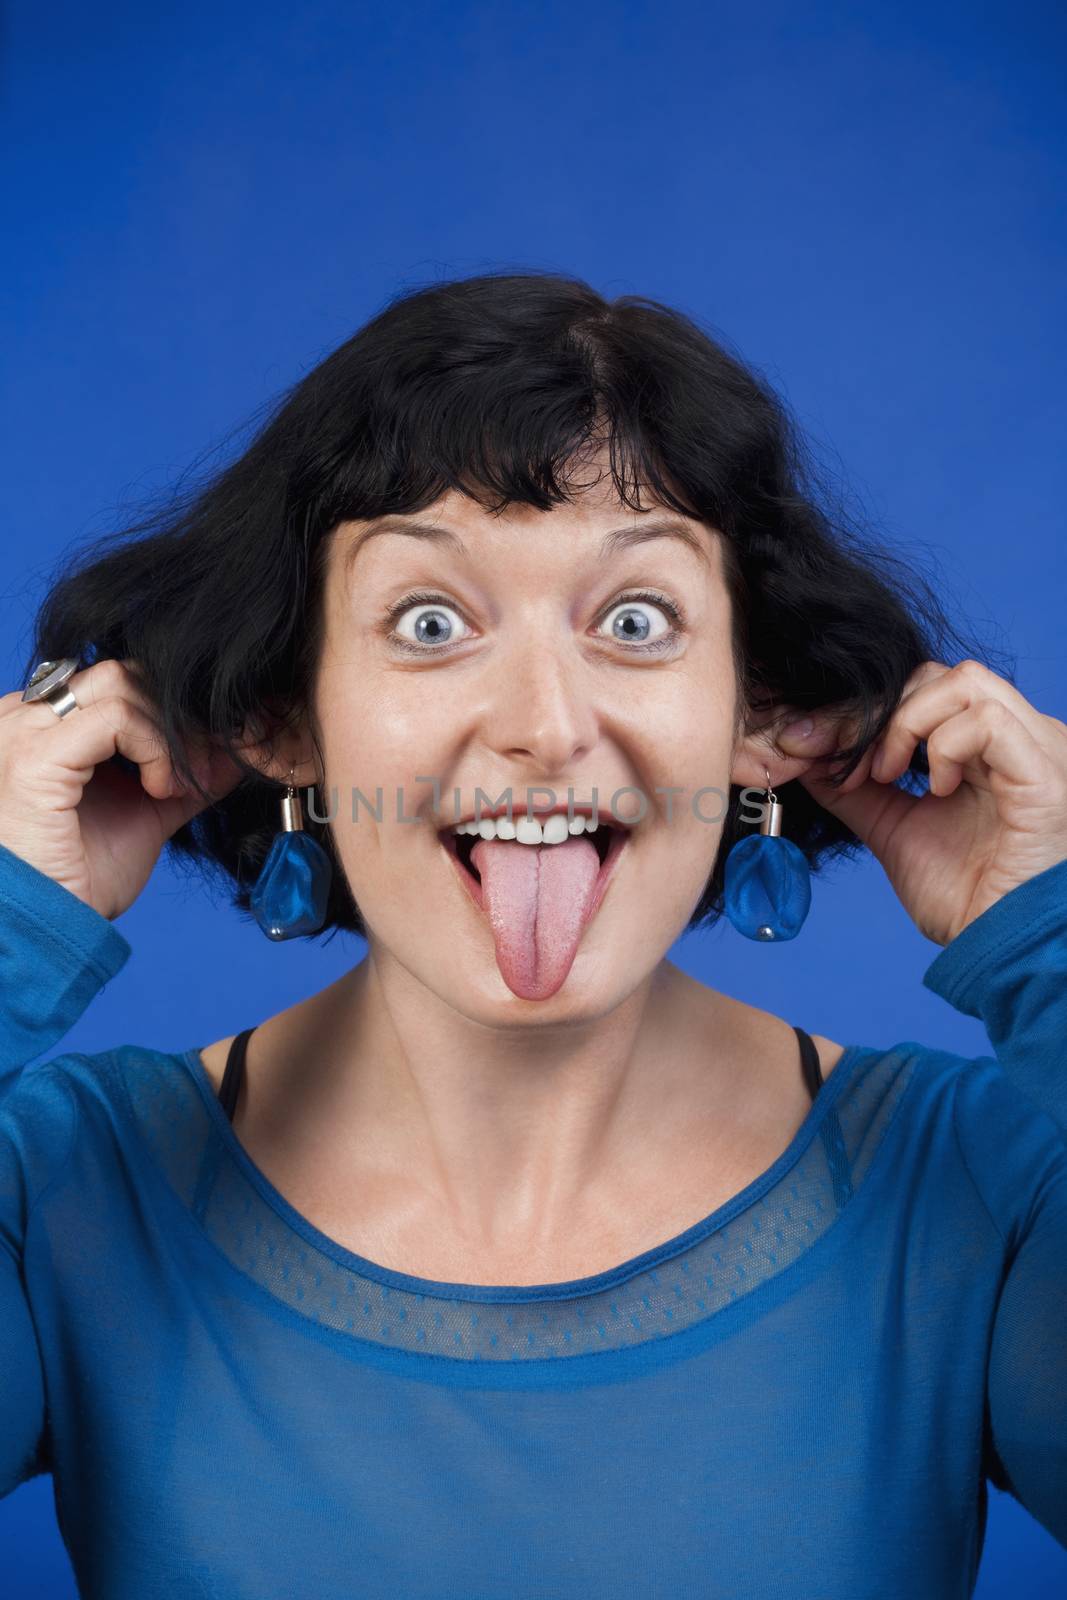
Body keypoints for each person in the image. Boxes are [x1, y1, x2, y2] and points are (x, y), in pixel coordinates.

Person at [1, 270, 1064, 1597]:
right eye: (431, 623)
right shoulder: (64, 1198)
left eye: (636, 620)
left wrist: (1055, 939)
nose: (545, 725)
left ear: (764, 715)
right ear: (283, 719)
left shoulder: (985, 1192)